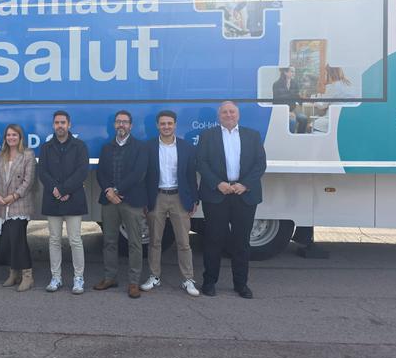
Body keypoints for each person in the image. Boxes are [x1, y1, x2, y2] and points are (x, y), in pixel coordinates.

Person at [197, 101, 267, 299]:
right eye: (225, 112)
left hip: (244, 194)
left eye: (232, 112)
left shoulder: (252, 135)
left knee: (242, 243)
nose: (228, 115)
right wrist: (217, 183)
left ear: (238, 115)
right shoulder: (207, 135)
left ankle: (241, 284)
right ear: (219, 116)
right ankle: (209, 282)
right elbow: (201, 162)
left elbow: (260, 164)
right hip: (216, 195)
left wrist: (244, 185)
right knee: (213, 241)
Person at [141, 110, 200, 297]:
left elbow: (191, 176)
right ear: (157, 126)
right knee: (155, 241)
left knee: (183, 242)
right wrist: (144, 200)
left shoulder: (186, 148)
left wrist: (194, 199)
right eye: (162, 123)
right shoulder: (148, 147)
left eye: (169, 123)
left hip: (179, 198)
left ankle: (188, 279)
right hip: (156, 197)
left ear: (175, 125)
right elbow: (143, 176)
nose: (166, 126)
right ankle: (154, 276)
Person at [93, 110, 148, 299]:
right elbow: (101, 173)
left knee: (134, 242)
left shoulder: (140, 147)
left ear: (131, 126)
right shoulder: (107, 148)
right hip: (109, 201)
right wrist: (108, 190)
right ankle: (110, 277)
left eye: (124, 122)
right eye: (118, 122)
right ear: (114, 125)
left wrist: (116, 191)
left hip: (131, 201)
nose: (121, 125)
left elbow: (138, 174)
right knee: (109, 241)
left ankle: (134, 282)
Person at [38, 110, 89, 294]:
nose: (60, 126)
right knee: (54, 240)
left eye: (63, 122)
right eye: (57, 123)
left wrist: (65, 190)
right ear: (53, 125)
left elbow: (82, 171)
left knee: (75, 240)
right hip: (53, 198)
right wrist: (56, 190)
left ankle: (78, 278)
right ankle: (56, 277)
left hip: (73, 198)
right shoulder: (46, 147)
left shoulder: (79, 146)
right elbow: (42, 171)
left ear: (69, 125)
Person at [0, 124, 37, 292]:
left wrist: (14, 196)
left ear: (20, 137)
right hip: (2, 204)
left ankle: (27, 276)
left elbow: (28, 181)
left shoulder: (28, 155)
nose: (11, 137)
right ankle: (13, 273)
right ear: (5, 138)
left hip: (19, 204)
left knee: (18, 240)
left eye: (14, 135)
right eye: (8, 135)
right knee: (7, 240)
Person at [311, 66, 357, 133]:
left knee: (311, 125)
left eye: (326, 74)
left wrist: (314, 101)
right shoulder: (349, 85)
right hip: (348, 119)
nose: (326, 75)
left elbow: (322, 106)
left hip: (334, 119)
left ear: (330, 74)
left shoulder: (333, 86)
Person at [272, 67, 307, 133]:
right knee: (292, 121)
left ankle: (299, 138)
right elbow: (275, 102)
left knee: (303, 119)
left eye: (294, 72)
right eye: (292, 71)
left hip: (292, 110)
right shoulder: (276, 84)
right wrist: (287, 113)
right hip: (281, 111)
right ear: (285, 72)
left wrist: (302, 101)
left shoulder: (295, 84)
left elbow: (297, 97)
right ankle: (290, 140)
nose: (294, 73)